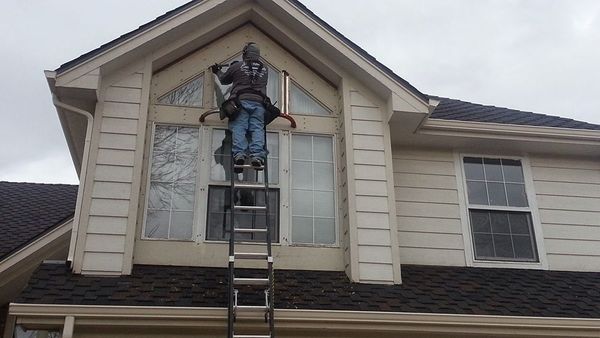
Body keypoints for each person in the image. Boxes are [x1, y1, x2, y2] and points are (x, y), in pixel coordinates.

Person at [212, 42, 268, 172]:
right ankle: (257, 156)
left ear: (245, 53)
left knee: (239, 127)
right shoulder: (265, 69)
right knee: (257, 128)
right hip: (259, 103)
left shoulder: (238, 66)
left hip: (241, 102)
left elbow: (224, 80)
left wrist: (217, 71)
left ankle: (239, 155)